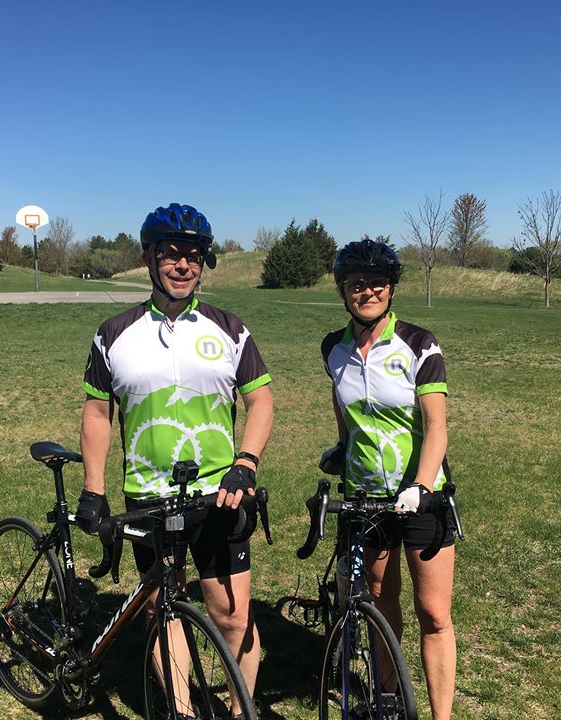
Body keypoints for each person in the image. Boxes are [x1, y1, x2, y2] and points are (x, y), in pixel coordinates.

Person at [78, 203, 274, 719]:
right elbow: (98, 413)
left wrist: (246, 462)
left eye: (193, 255)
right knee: (163, 609)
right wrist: (94, 488)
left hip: (218, 494)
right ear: (149, 258)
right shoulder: (113, 332)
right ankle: (182, 711)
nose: (183, 265)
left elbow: (261, 402)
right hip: (148, 495)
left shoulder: (230, 328)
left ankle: (240, 712)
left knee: (232, 617)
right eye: (171, 254)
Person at [318, 238, 457, 720]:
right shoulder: (333, 348)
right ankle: (388, 696)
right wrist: (343, 445)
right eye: (357, 284)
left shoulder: (419, 344)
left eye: (377, 283)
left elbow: (436, 426)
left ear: (391, 289)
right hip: (364, 495)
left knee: (433, 613)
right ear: (342, 290)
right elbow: (344, 401)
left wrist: (421, 485)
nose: (368, 292)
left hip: (422, 495)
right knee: (379, 600)